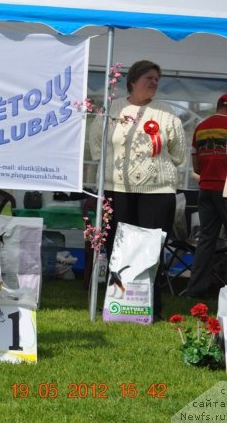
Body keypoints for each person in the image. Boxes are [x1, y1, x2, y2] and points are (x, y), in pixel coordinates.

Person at [88, 60, 187, 319]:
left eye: (157, 79)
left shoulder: (167, 114)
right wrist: (109, 166)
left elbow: (179, 155)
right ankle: (117, 303)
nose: (154, 82)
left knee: (152, 250)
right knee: (117, 248)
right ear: (133, 80)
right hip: (117, 190)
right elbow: (96, 143)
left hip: (158, 193)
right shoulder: (113, 109)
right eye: (149, 78)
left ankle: (151, 307)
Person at [184, 94, 227, 298]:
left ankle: (195, 289)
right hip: (226, 187)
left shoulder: (201, 127)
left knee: (207, 240)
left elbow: (196, 164)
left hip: (206, 187)